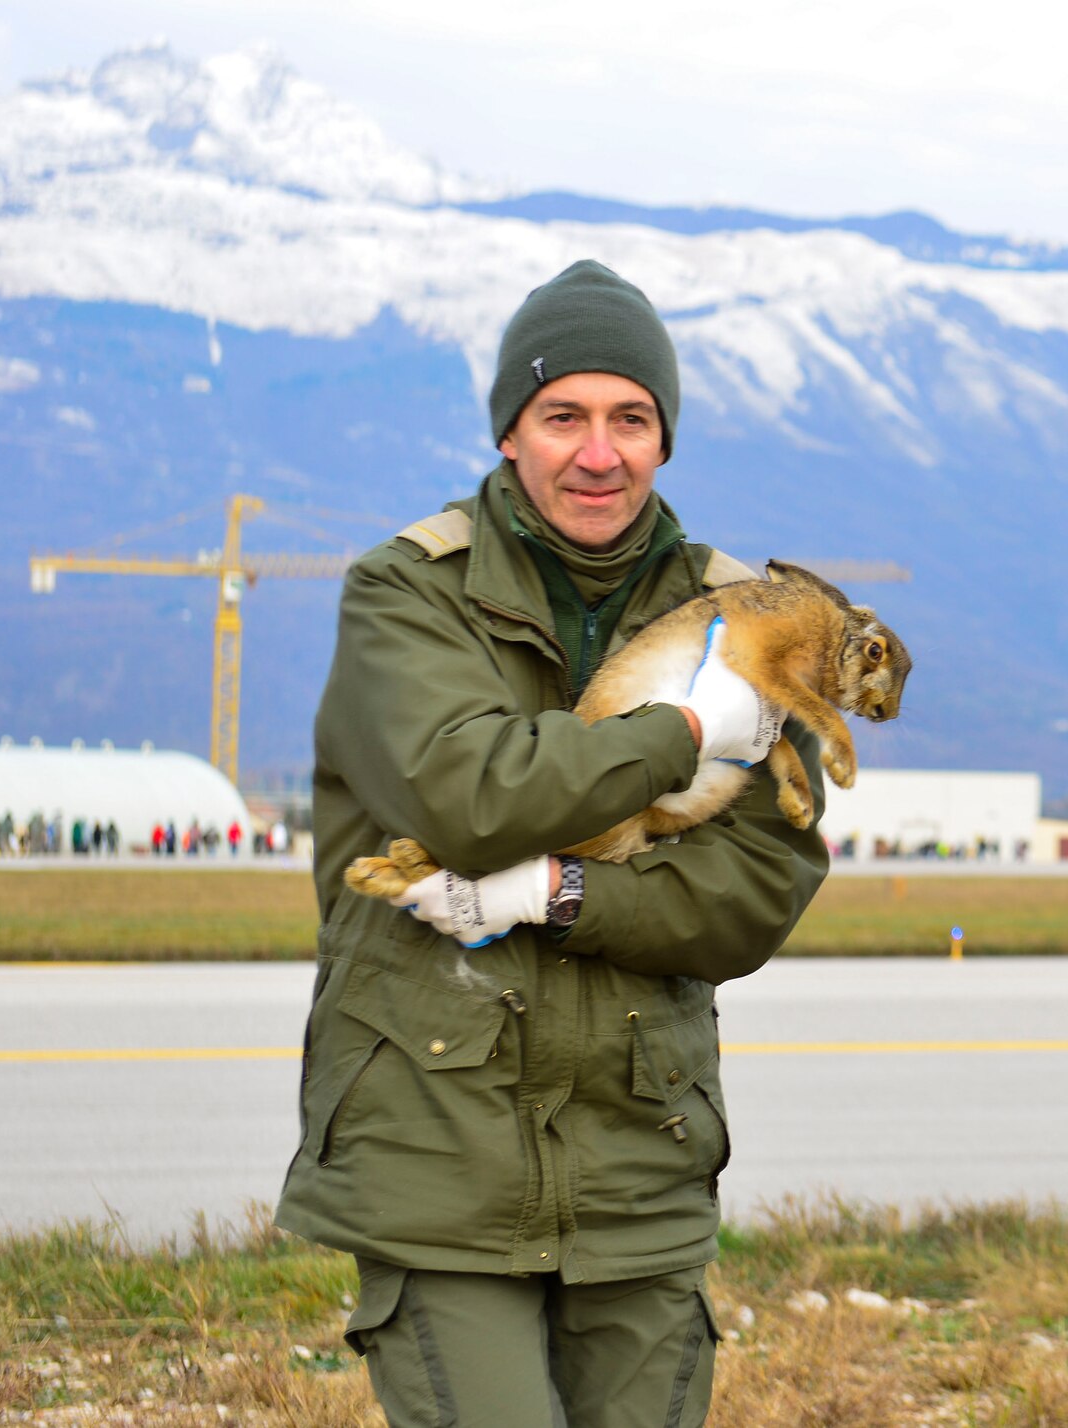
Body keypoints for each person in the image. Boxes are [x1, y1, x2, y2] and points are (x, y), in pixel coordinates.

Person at [275, 259, 829, 1428]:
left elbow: (755, 887)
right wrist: (681, 732)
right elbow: (468, 795)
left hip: (639, 1157)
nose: (598, 451)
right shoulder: (406, 596)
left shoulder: (750, 614)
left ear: (664, 440)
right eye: (562, 416)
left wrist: (560, 891)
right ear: (510, 434)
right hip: (436, 1151)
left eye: (630, 418)